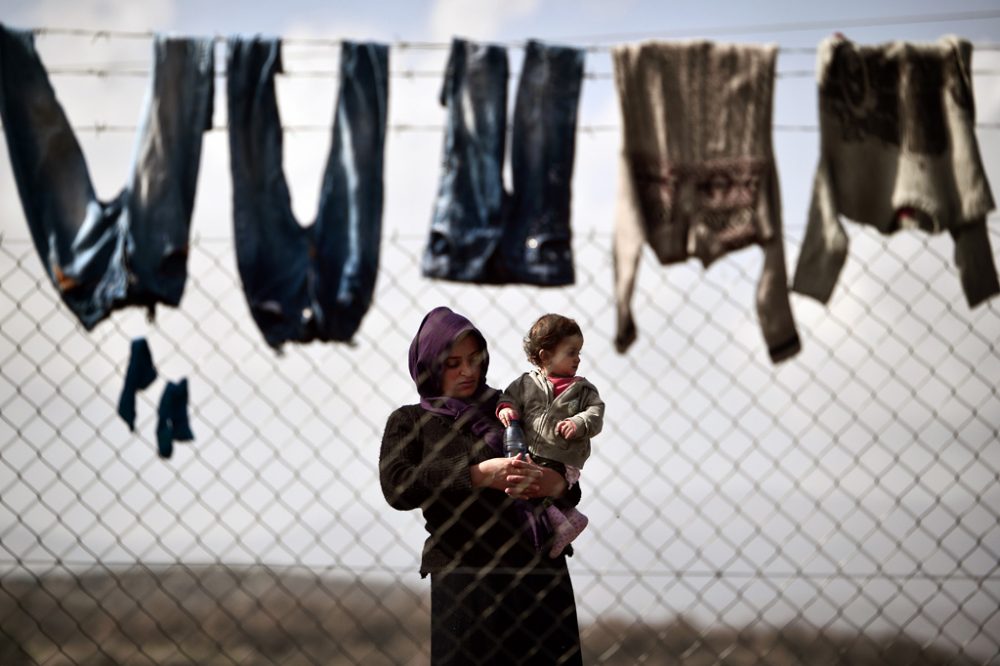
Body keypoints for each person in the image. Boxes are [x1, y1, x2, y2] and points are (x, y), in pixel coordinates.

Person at [379, 306, 583, 665]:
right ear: (429, 365)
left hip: (538, 576)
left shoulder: (511, 408)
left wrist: (554, 484)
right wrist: (478, 474)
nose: (468, 371)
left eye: (474, 359)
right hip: (465, 579)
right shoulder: (411, 421)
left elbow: (564, 479)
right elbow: (397, 486)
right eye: (453, 363)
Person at [497, 314, 605, 557]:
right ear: (545, 356)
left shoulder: (582, 389)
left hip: (561, 457)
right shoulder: (526, 383)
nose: (578, 359)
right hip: (531, 451)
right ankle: (567, 520)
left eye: (579, 352)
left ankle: (565, 524)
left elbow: (596, 412)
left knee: (530, 484)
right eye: (571, 352)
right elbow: (507, 398)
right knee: (525, 485)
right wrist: (507, 408)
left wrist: (578, 422)